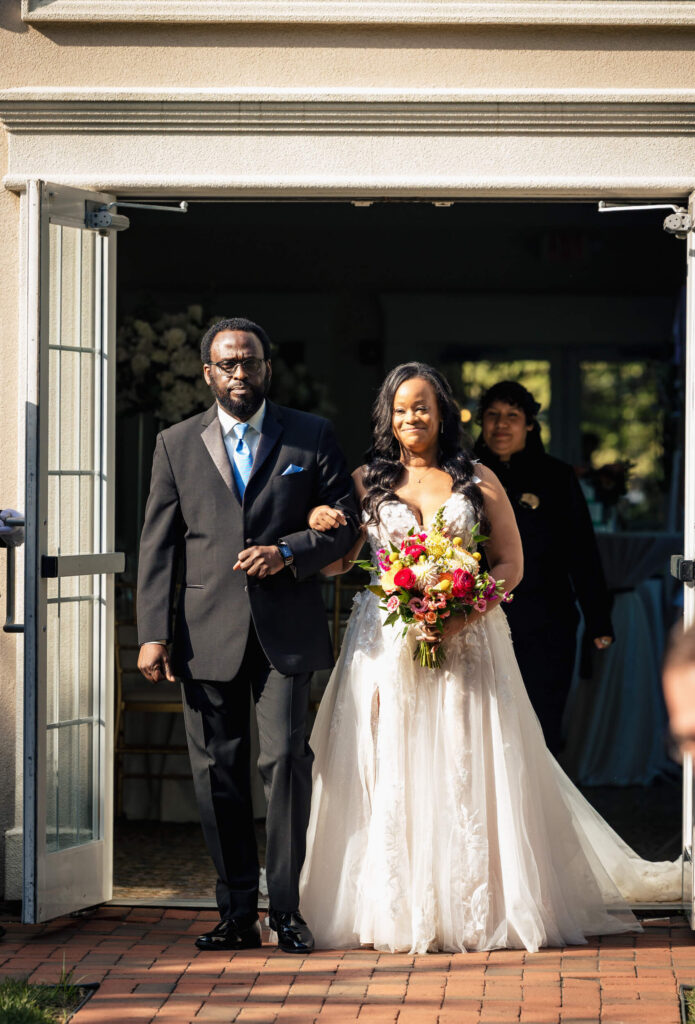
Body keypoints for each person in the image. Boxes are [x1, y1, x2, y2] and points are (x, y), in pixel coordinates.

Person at [299, 362, 679, 954]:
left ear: (442, 413)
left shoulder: (476, 478)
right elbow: (337, 564)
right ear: (387, 417)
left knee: (463, 757)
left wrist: (462, 611)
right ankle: (396, 905)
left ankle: (474, 902)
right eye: (400, 409)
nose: (411, 418)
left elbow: (510, 563)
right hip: (386, 645)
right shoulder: (366, 480)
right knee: (392, 763)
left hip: (468, 642)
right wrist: (319, 520)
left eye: (422, 407)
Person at [137, 316, 359, 954]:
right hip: (203, 634)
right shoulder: (176, 443)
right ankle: (237, 913)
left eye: (251, 362)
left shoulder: (310, 434)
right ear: (208, 372)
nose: (240, 373)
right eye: (228, 364)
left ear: (268, 367)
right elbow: (159, 545)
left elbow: (346, 524)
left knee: (285, 763)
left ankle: (286, 911)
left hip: (284, 633)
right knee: (218, 772)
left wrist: (288, 552)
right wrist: (153, 632)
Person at [473, 381, 614, 754]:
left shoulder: (556, 476)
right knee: (483, 726)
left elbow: (581, 550)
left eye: (512, 416)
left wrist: (598, 619)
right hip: (479, 617)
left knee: (541, 724)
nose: (501, 425)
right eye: (493, 415)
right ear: (482, 422)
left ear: (530, 424)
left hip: (547, 620)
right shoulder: (463, 475)